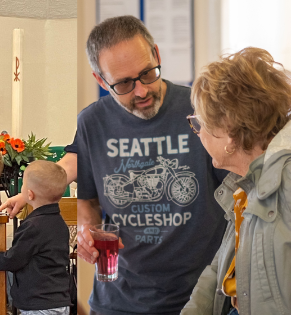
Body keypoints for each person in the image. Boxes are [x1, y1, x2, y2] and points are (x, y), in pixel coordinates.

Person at [73, 15, 227, 314]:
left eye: (147, 73)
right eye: (124, 84)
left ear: (157, 54)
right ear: (100, 80)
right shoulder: (91, 122)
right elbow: (88, 199)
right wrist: (86, 229)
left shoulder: (201, 109)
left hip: (201, 298)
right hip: (117, 301)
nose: (142, 91)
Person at [181, 47, 291, 315]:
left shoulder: (284, 183)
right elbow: (224, 264)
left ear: (229, 133)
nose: (198, 133)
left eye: (201, 124)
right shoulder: (244, 183)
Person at [0, 160, 72, 315]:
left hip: (38, 304)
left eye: (22, 185)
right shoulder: (59, 223)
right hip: (59, 301)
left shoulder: (32, 226)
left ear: (30, 194)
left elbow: (13, 259)